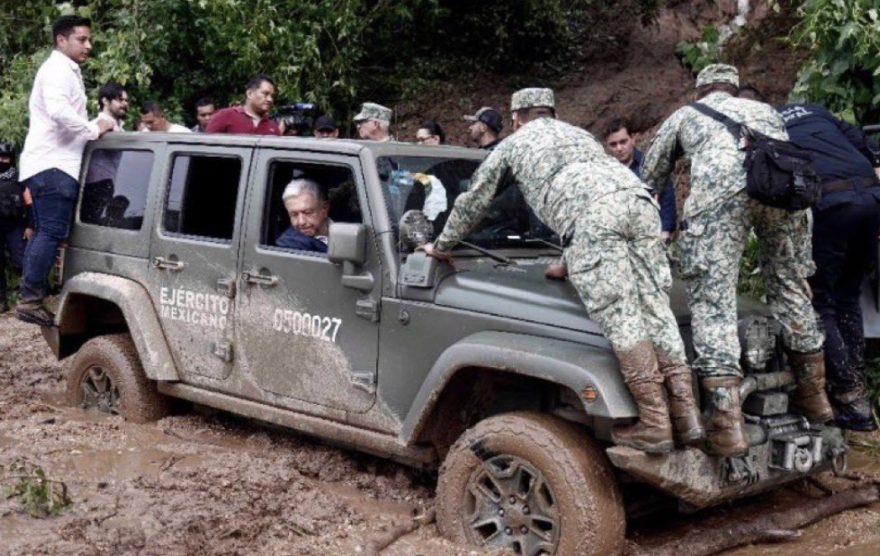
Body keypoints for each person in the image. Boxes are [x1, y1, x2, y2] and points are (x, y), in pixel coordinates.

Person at [423, 88, 703, 454]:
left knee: (621, 315)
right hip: (639, 202)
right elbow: (596, 194)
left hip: (594, 219)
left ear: (515, 119)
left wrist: (442, 246)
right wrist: (567, 263)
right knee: (655, 306)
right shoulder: (579, 136)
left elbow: (475, 199)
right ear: (553, 114)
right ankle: (687, 416)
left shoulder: (514, 144)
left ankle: (654, 424)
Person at [641, 64, 833, 456]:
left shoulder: (687, 115)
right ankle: (815, 396)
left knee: (714, 299)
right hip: (783, 192)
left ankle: (727, 427)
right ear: (733, 88)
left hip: (721, 199)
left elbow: (650, 176)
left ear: (700, 92)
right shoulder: (766, 112)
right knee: (791, 286)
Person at [778, 102, 880, 431]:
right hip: (872, 197)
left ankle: (849, 397)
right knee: (848, 295)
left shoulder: (768, 123)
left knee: (822, 302)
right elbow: (862, 143)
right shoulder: (815, 110)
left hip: (832, 205)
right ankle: (857, 393)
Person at [16, 15, 116, 326]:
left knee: (49, 231)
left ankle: (33, 295)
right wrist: (93, 128)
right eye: (82, 39)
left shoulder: (64, 70)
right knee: (51, 231)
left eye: (89, 39)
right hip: (53, 164)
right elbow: (59, 112)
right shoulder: (57, 69)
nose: (88, 46)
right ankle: (29, 298)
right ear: (62, 40)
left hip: (54, 164)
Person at [603, 117, 677, 240]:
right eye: (613, 144)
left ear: (632, 138)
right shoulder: (605, 172)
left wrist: (665, 230)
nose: (619, 148)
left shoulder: (651, 165)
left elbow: (666, 197)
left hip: (652, 236)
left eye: (623, 142)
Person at [0, 144, 30, 314]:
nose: (1, 160)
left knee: (21, 262)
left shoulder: (20, 179)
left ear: (11, 159)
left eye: (5, 157)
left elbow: (30, 203)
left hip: (15, 226)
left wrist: (30, 225)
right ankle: (2, 301)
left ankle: (27, 298)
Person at [206, 74, 280, 136]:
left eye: (272, 96)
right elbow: (205, 147)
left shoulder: (273, 127)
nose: (270, 99)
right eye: (265, 94)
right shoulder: (225, 116)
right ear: (250, 94)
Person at [276, 179, 331, 253]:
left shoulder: (344, 222)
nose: (301, 222)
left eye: (307, 212)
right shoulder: (289, 244)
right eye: (294, 214)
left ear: (324, 208)